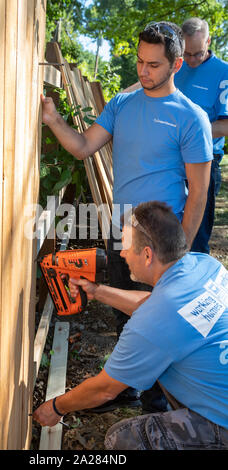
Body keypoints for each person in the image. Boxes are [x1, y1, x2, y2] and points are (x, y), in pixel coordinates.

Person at [41, 21, 213, 412]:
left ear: (176, 65)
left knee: (161, 326)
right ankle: (130, 389)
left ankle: (165, 408)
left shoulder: (191, 118)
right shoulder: (121, 104)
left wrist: (179, 250)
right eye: (139, 61)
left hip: (164, 239)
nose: (143, 71)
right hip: (124, 230)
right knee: (126, 314)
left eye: (153, 65)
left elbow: (199, 192)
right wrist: (53, 120)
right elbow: (85, 147)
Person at [33, 201, 228, 450]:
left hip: (223, 423)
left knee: (124, 439)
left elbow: (105, 389)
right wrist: (97, 291)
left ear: (147, 255)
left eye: (125, 246)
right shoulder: (204, 266)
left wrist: (56, 407)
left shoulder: (156, 320)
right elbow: (154, 305)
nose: (122, 253)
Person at [174, 17, 228, 254]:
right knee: (168, 234)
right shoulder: (176, 65)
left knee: (195, 239)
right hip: (171, 162)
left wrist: (189, 132)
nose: (191, 60)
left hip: (204, 163)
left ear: (208, 41)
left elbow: (225, 126)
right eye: (186, 54)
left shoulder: (223, 73)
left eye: (197, 53)